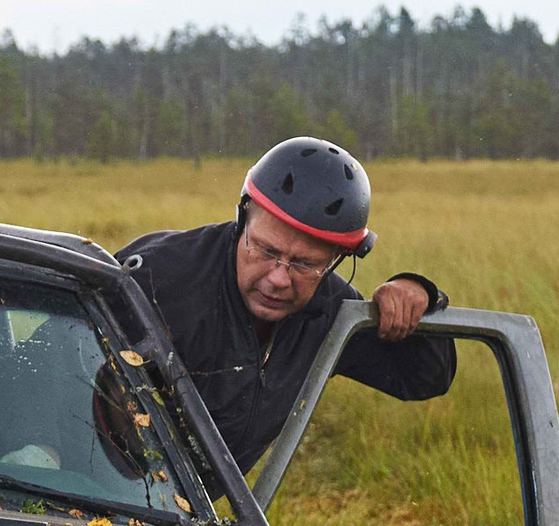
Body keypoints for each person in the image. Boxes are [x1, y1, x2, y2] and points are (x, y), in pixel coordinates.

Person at [119, 137, 451, 486]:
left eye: (305, 264)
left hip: (187, 515)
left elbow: (423, 377)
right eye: (265, 250)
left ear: (337, 260)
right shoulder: (157, 276)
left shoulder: (330, 313)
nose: (278, 278)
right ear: (243, 218)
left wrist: (419, 294)